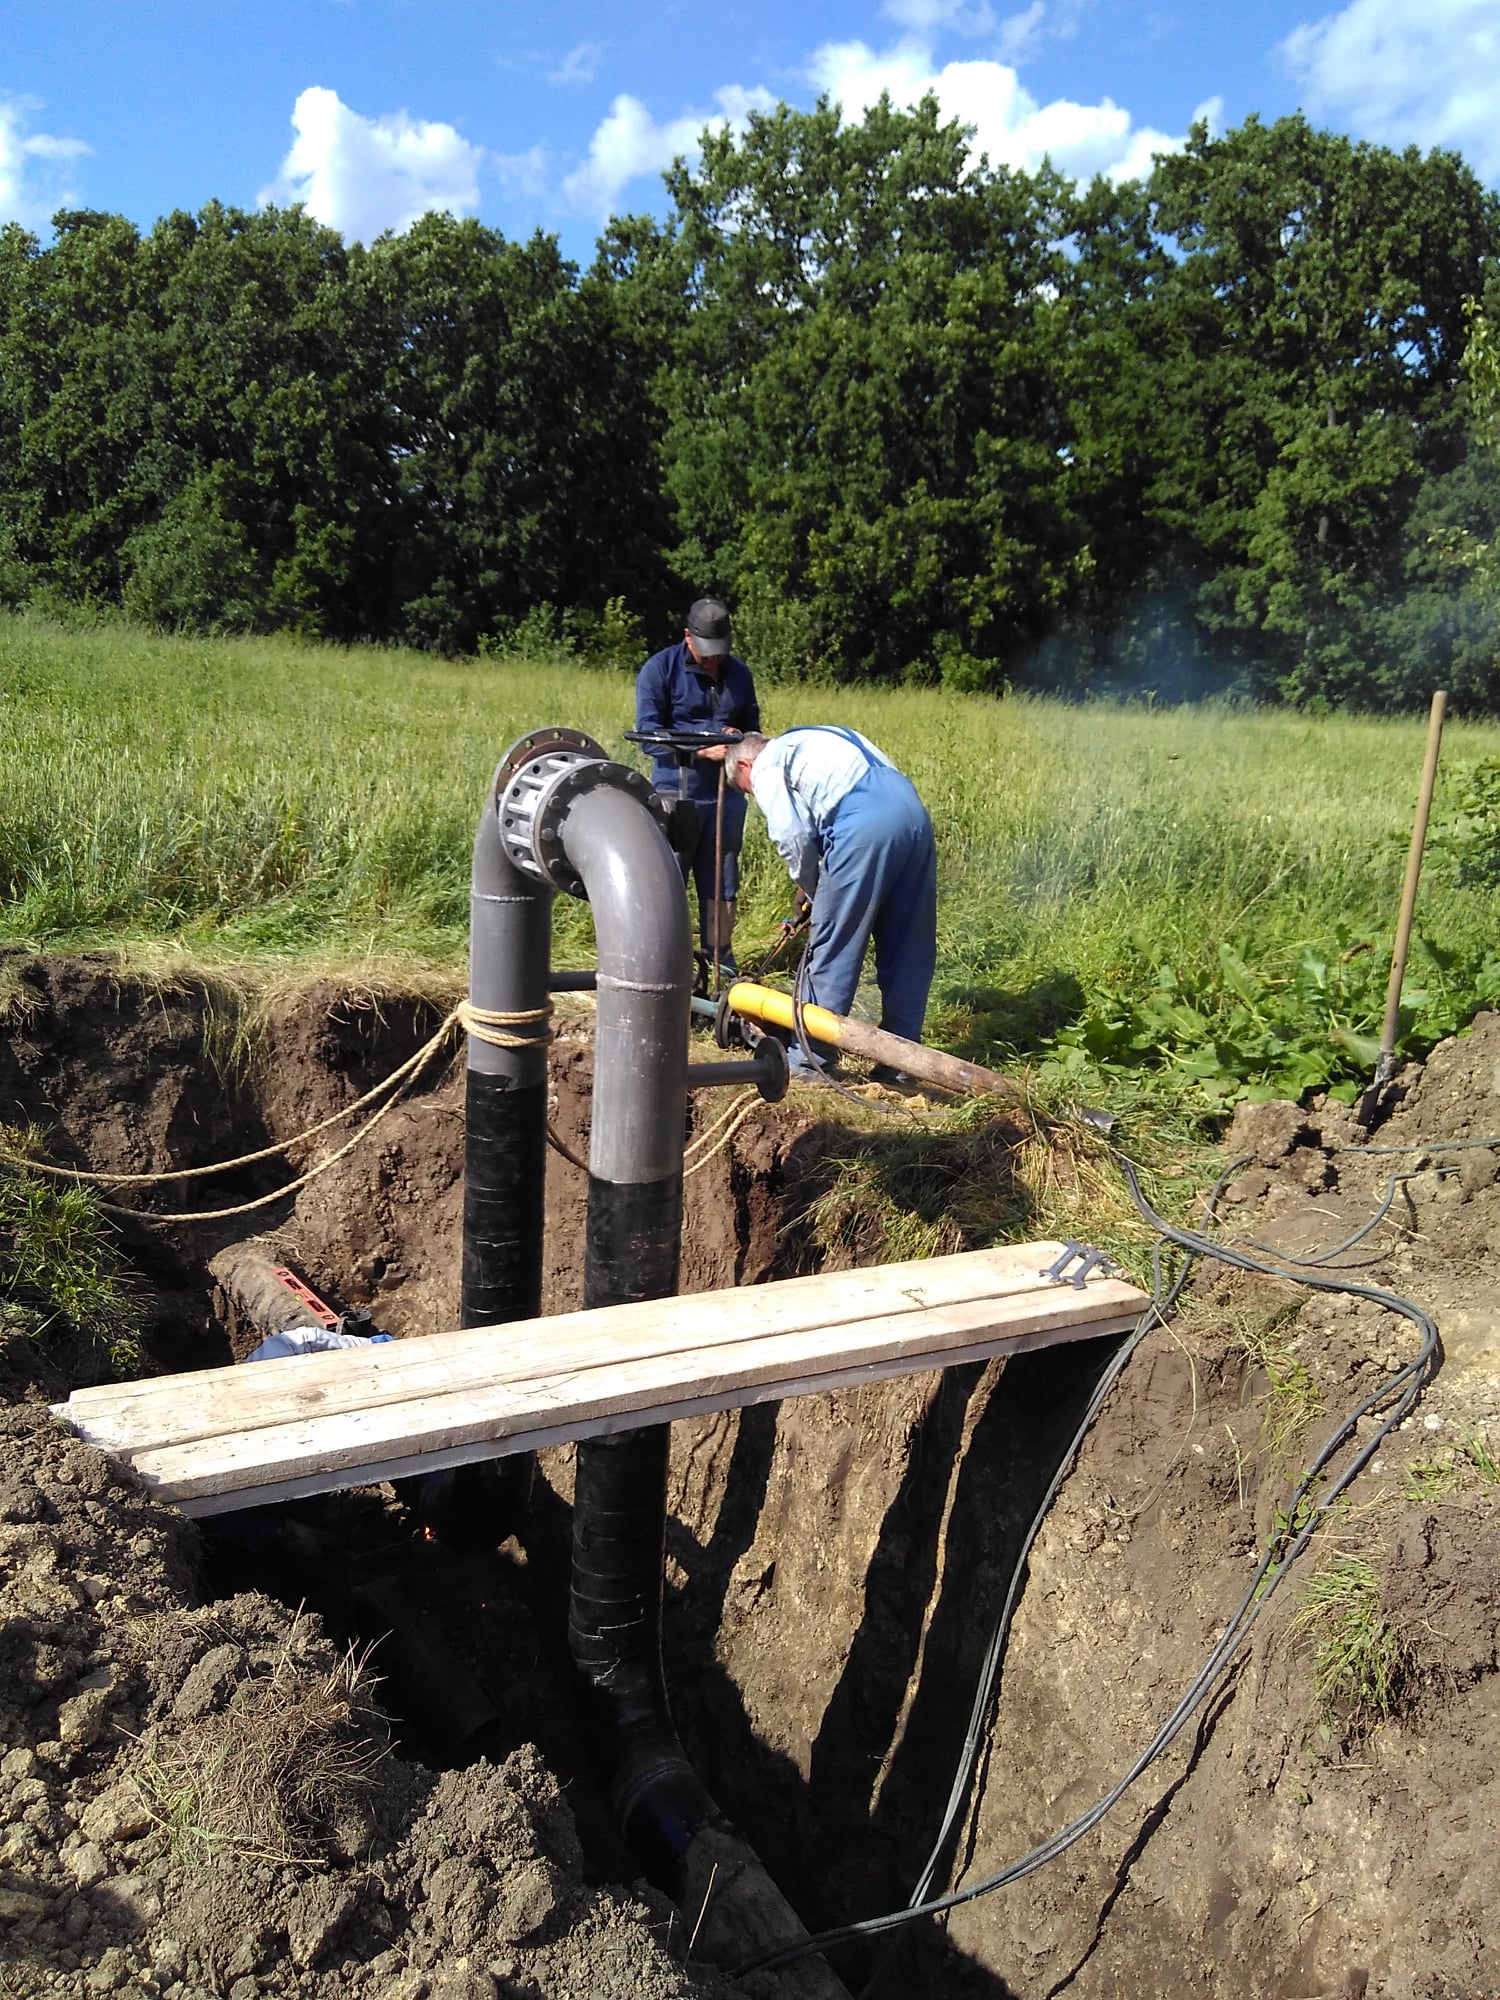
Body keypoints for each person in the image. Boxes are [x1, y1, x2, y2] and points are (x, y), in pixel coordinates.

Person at [721, 726, 937, 1078]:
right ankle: (900, 1064)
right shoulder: (818, 739)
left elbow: (792, 836)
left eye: (746, 791)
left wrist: (816, 892)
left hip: (865, 824)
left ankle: (810, 1059)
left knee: (833, 947)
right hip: (913, 816)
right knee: (908, 947)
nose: (752, 795)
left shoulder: (769, 764)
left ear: (745, 765)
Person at [635, 598, 760, 975]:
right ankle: (665, 967)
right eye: (706, 654)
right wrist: (702, 745)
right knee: (669, 879)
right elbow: (648, 736)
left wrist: (738, 738)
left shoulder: (739, 674)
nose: (713, 661)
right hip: (676, 794)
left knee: (722, 882)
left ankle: (720, 966)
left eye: (719, 654)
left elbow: (753, 730)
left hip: (727, 797)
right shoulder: (659, 670)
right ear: (688, 636)